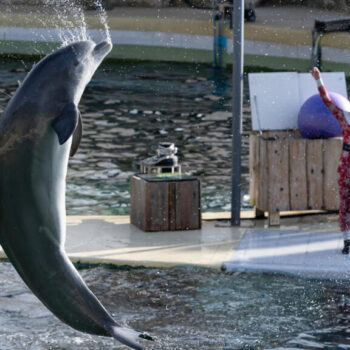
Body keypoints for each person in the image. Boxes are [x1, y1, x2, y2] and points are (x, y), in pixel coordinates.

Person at [311, 67, 350, 254]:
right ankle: (347, 240)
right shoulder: (343, 115)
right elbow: (326, 100)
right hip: (346, 163)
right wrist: (319, 80)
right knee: (345, 202)